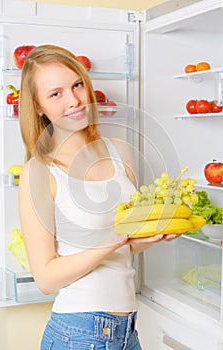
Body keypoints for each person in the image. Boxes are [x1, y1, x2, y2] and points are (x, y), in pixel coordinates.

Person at [18, 44, 179, 350]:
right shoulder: (39, 172)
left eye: (77, 85)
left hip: (128, 330)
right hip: (78, 332)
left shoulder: (119, 149)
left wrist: (156, 234)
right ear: (38, 106)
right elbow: (46, 279)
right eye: (56, 94)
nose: (75, 100)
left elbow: (126, 246)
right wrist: (113, 239)